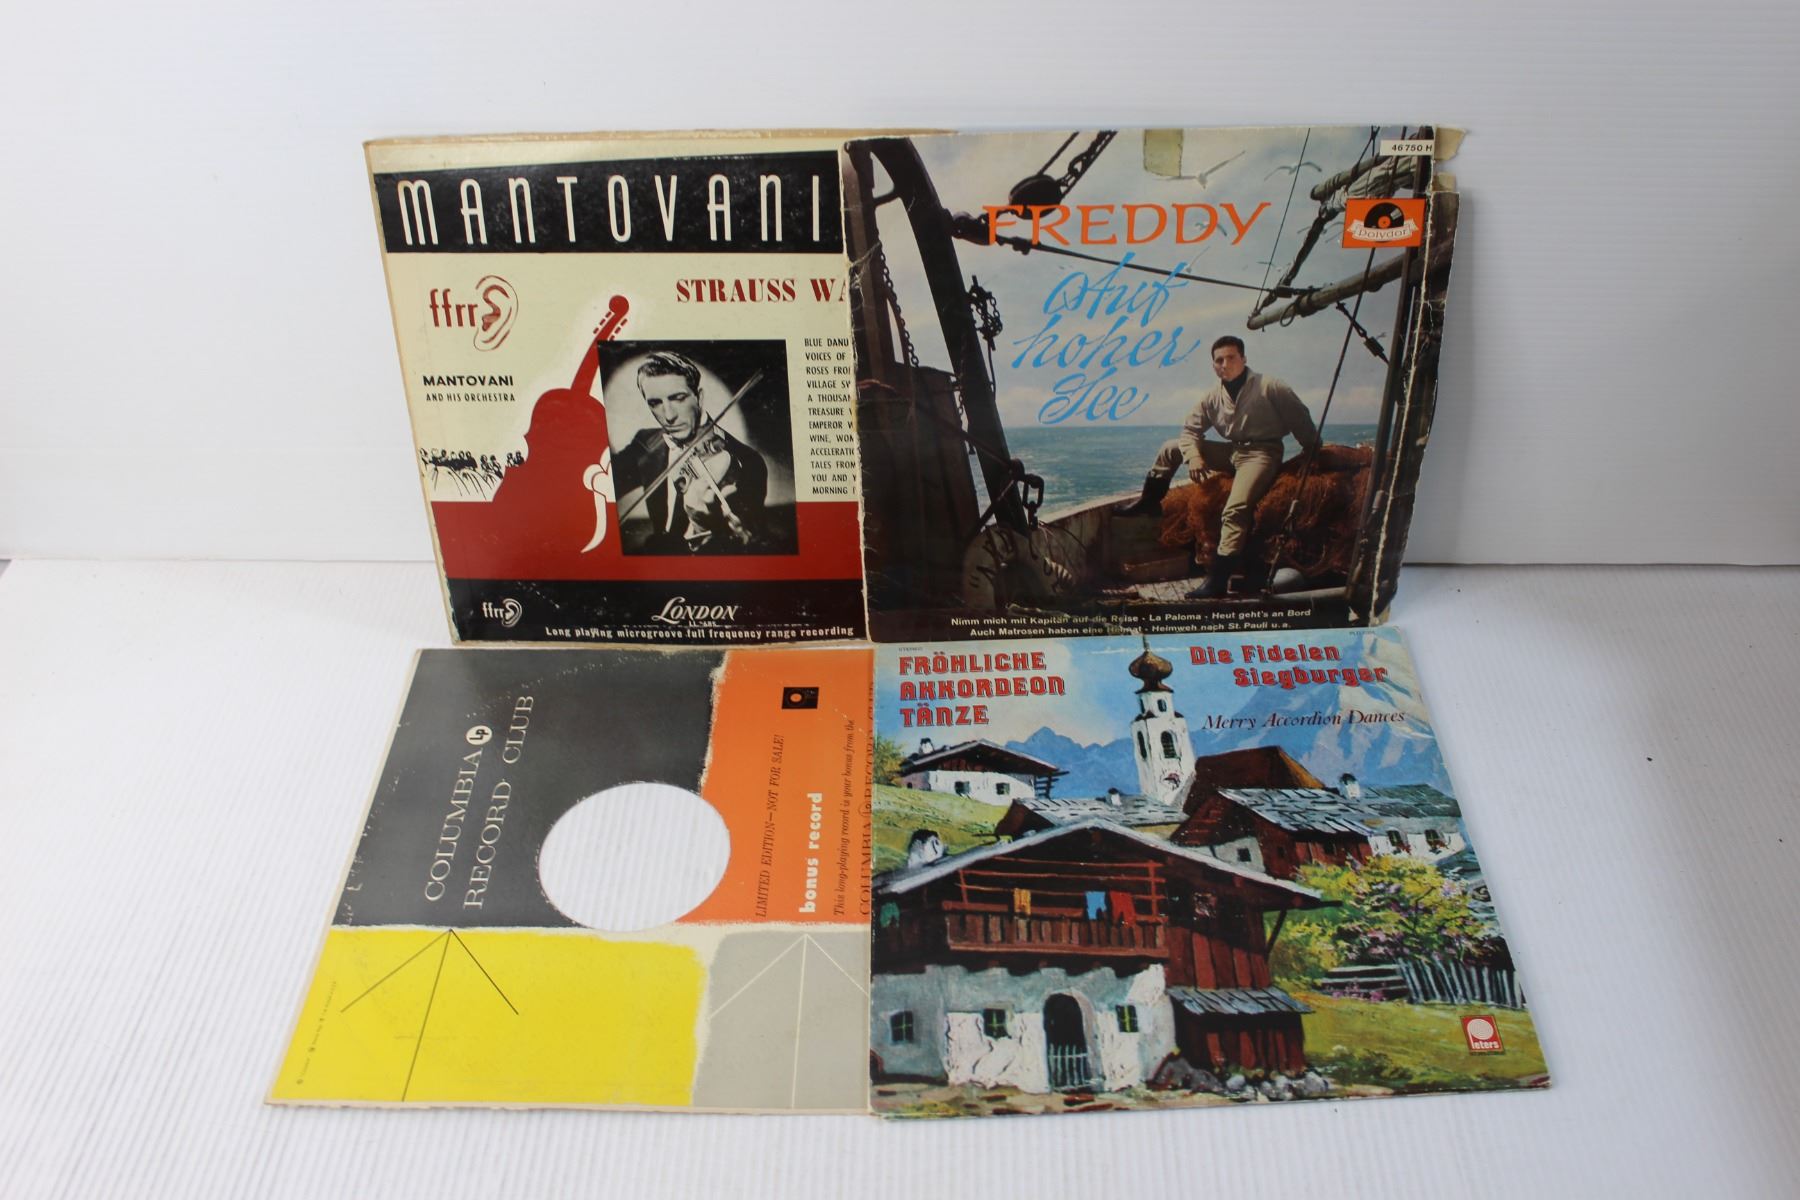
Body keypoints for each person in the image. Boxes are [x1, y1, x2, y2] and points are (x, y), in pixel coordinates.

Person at [1115, 336, 1320, 597]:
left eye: (1231, 358)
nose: (1225, 364)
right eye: (1219, 360)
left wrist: (1312, 451)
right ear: (1213, 366)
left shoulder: (1270, 386)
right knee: (1170, 448)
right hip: (1233, 450)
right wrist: (1194, 457)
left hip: (1262, 453)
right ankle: (1150, 502)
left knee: (1235, 510)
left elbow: (1300, 419)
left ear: (1244, 359)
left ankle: (1217, 582)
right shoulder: (1213, 396)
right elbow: (1190, 430)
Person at [613, 351, 768, 553]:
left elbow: (746, 540)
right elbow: (604, 484)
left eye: (678, 398)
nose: (669, 416)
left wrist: (710, 527)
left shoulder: (748, 462)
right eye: (655, 403)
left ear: (699, 397)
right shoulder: (646, 442)